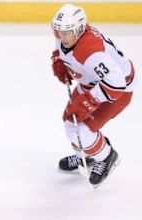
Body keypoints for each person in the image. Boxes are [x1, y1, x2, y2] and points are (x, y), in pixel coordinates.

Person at [51, 4, 136, 187]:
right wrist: (59, 60)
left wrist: (88, 102)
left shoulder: (90, 52)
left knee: (82, 129)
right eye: (58, 31)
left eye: (66, 32)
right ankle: (86, 154)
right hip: (92, 83)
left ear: (80, 29)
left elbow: (116, 84)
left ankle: (106, 156)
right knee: (70, 123)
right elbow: (62, 49)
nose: (61, 36)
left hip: (117, 91)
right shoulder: (68, 36)